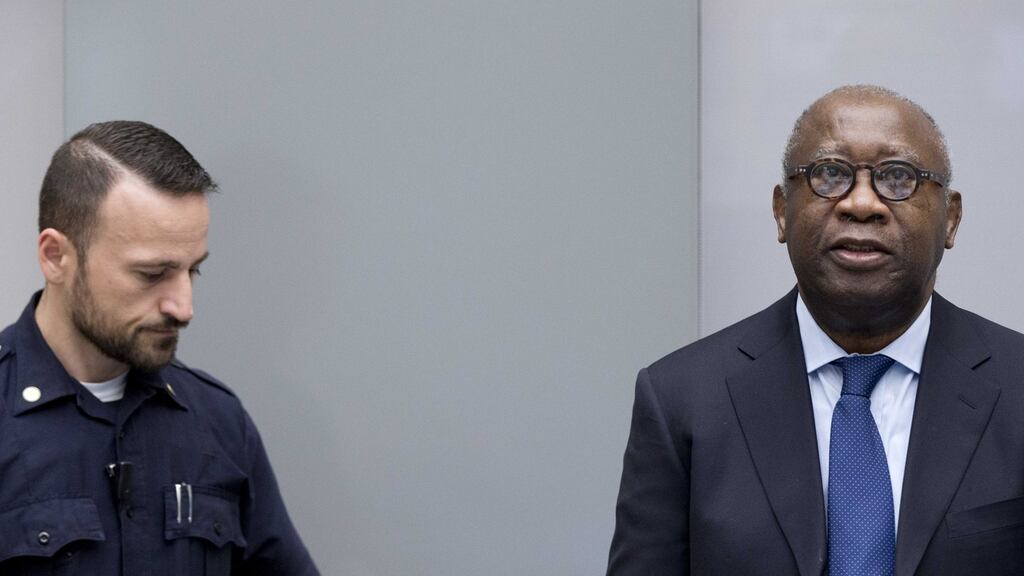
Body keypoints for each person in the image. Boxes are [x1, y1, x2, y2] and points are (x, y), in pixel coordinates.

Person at [607, 85, 1024, 575]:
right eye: (830, 174)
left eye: (898, 177)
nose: (862, 204)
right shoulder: (682, 398)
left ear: (951, 219)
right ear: (782, 210)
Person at [0, 121, 319, 575]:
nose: (184, 307)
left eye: (194, 272)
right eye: (152, 274)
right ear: (56, 257)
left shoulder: (218, 422)